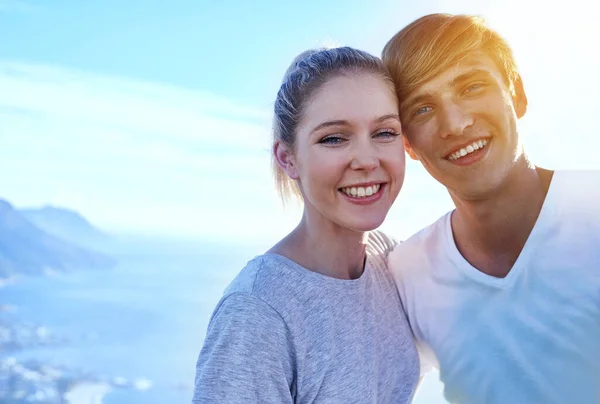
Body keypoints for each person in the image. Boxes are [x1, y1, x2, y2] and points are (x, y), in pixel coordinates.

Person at [382, 13, 600, 404]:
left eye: (471, 86)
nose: (456, 123)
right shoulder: (406, 273)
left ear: (516, 94)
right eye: (422, 109)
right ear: (408, 145)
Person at [192, 47, 419, 403]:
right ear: (288, 158)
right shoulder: (258, 311)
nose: (366, 159)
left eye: (384, 132)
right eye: (333, 138)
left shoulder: (390, 260)